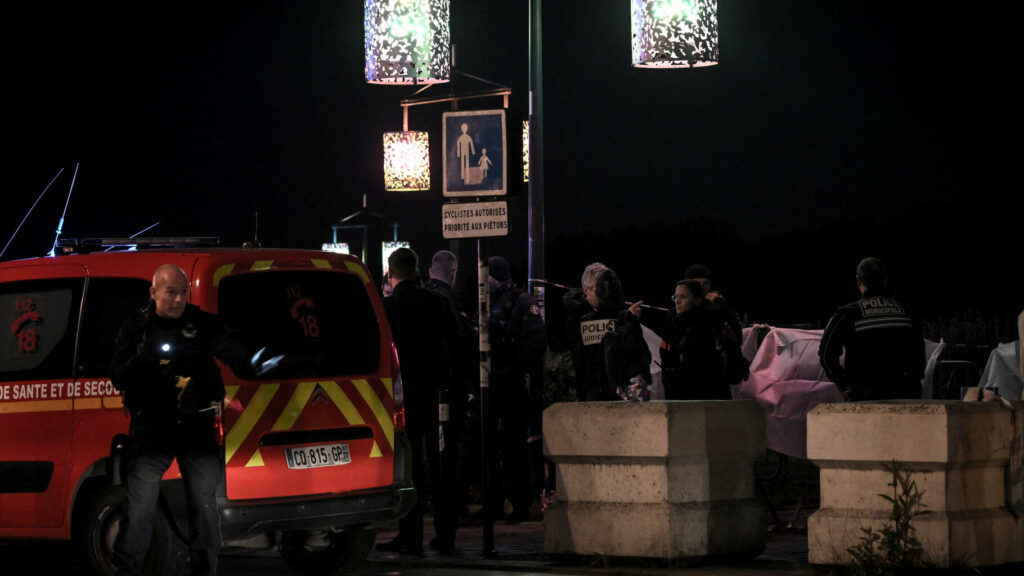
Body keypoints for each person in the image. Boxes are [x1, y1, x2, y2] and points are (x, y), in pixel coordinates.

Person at [110, 264, 280, 576]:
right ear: (154, 293)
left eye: (182, 292)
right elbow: (118, 376)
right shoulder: (136, 327)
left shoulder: (200, 323)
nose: (177, 299)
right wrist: (141, 359)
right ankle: (127, 569)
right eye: (170, 292)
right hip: (153, 429)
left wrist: (253, 362)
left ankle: (205, 570)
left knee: (204, 506)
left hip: (196, 427)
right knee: (140, 506)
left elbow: (228, 348)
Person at [378, 247, 461, 553]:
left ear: (391, 272)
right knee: (442, 465)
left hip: (404, 397)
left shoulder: (388, 307)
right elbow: (457, 339)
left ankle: (410, 534)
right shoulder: (437, 301)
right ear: (416, 270)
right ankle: (446, 534)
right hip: (438, 395)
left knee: (409, 468)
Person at [486, 255, 546, 523]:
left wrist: (514, 368)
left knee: (513, 445)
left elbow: (536, 341)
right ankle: (494, 502)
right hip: (489, 381)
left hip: (511, 384)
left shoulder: (522, 302)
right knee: (487, 444)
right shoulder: (483, 300)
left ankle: (521, 502)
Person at [819, 257, 925, 401]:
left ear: (859, 281)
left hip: (865, 397)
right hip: (905, 394)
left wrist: (845, 386)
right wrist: (914, 382)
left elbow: (826, 355)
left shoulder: (847, 314)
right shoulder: (907, 311)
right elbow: (919, 351)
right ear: (885, 280)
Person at [659, 279, 731, 400]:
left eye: (683, 297)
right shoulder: (673, 322)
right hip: (679, 393)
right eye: (675, 297)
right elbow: (666, 353)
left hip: (706, 394)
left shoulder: (708, 324)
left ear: (697, 300)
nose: (677, 301)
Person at [563, 262, 608, 399]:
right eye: (599, 288)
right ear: (586, 290)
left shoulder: (614, 312)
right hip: (588, 391)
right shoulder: (575, 318)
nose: (605, 293)